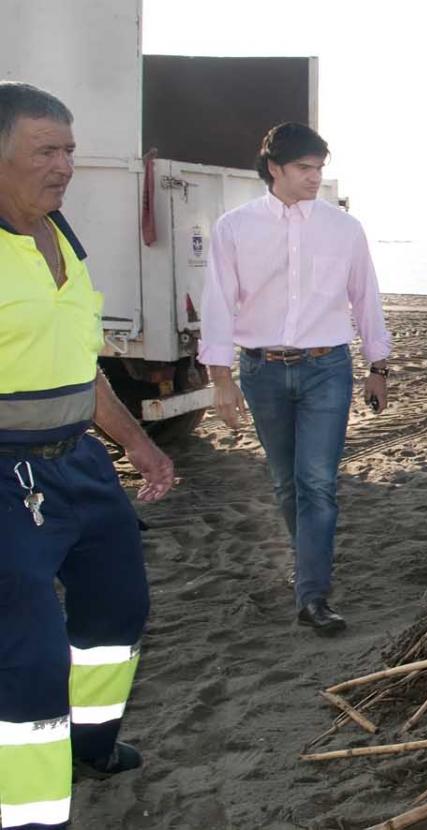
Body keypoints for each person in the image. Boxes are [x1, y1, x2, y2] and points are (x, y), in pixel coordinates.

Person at [0, 81, 175, 830]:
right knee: (31, 659)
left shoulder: (61, 232)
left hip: (81, 465)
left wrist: (135, 441)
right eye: (46, 150)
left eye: (69, 149)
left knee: (118, 610)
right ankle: (31, 814)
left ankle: (93, 745)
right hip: (8, 479)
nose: (65, 165)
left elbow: (82, 362)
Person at [198, 122, 391, 635]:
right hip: (261, 370)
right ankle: (309, 568)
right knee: (287, 484)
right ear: (274, 169)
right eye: (304, 168)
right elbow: (218, 301)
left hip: (327, 369)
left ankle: (313, 595)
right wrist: (220, 376)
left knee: (317, 483)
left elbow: (364, 296)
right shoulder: (234, 228)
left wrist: (378, 365)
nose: (314, 177)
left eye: (319, 168)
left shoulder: (343, 228)